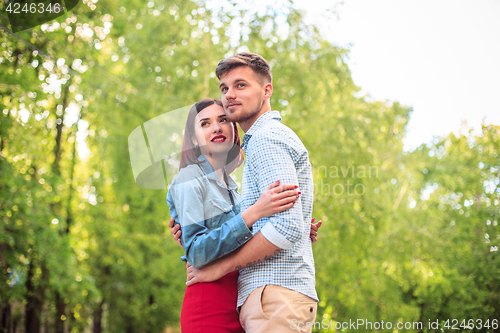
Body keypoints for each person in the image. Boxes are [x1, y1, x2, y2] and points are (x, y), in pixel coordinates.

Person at [180, 53, 319, 333]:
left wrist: (221, 266)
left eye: (240, 85)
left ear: (267, 90)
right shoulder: (205, 178)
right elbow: (288, 226)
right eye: (225, 88)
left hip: (274, 295)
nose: (230, 94)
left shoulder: (266, 140)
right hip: (260, 297)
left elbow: (287, 227)